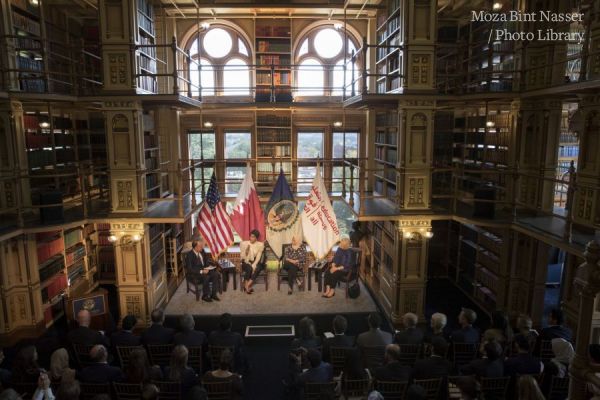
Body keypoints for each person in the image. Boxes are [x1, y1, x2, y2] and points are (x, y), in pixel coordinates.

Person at [185, 237, 220, 302]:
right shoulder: (189, 255)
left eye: (202, 246)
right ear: (195, 247)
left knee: (215, 274)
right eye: (200, 246)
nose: (202, 247)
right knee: (206, 276)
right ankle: (205, 296)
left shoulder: (202, 251)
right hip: (195, 273)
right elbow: (189, 269)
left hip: (205, 269)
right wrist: (201, 271)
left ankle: (213, 294)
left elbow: (206, 260)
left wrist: (210, 266)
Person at [323, 234, 355, 298]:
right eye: (341, 241)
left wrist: (336, 269)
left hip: (345, 269)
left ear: (347, 242)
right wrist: (333, 266)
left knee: (334, 273)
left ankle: (332, 290)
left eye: (343, 241)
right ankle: (328, 289)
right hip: (337, 266)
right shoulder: (339, 249)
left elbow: (347, 265)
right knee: (327, 272)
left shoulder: (349, 251)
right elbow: (335, 259)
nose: (341, 242)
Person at [240, 229, 265, 294]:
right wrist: (246, 252)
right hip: (246, 261)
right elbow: (243, 257)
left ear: (256, 238)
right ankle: (247, 287)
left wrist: (254, 264)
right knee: (249, 268)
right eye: (250, 236)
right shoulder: (245, 243)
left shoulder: (260, 245)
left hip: (254, 261)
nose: (251, 238)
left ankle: (246, 285)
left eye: (253, 237)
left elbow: (258, 257)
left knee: (258, 268)